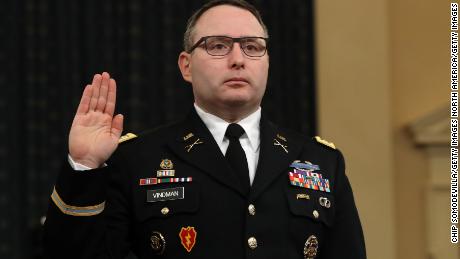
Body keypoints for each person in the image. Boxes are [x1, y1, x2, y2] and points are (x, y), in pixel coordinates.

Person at [44, 0, 366, 258]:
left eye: (253, 47)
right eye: (218, 46)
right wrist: (84, 167)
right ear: (186, 65)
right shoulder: (136, 159)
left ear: (267, 61)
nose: (238, 59)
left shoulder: (321, 161)